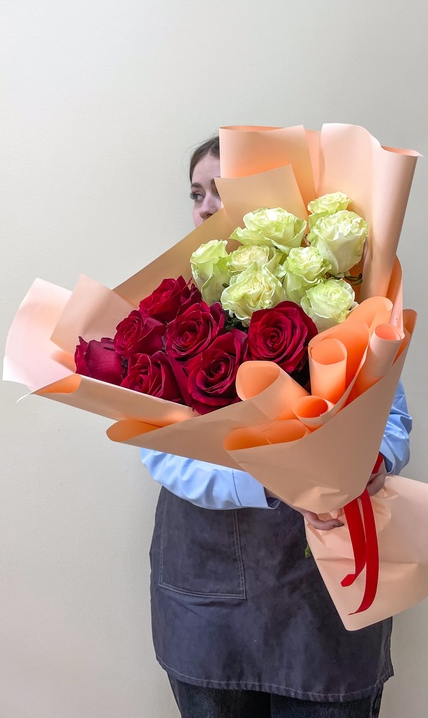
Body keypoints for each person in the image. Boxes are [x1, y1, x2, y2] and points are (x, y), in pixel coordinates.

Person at [140, 136, 412, 718]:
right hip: (207, 597)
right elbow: (160, 449)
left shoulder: (343, 301)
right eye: (196, 194)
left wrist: (368, 466)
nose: (206, 207)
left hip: (324, 599)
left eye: (221, 191)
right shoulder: (167, 315)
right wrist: (274, 482)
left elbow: (392, 422)